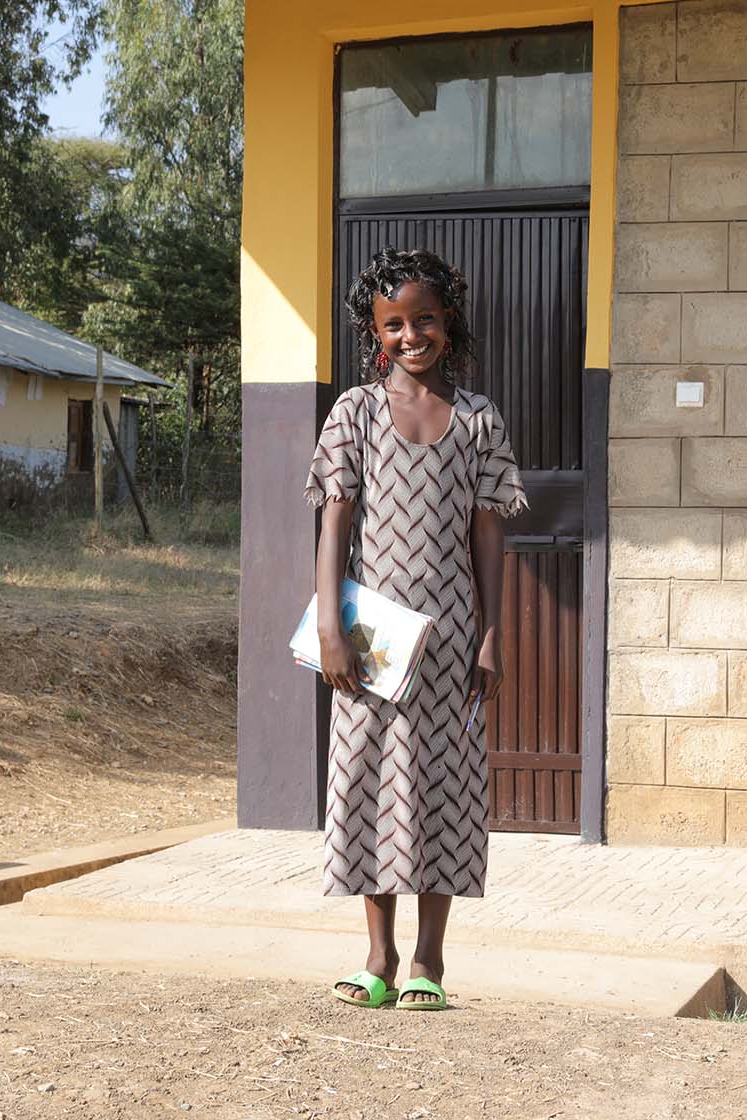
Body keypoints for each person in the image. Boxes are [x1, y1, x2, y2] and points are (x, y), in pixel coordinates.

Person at [303, 247, 527, 1011]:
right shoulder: (355, 414)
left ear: (448, 321)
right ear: (375, 331)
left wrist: (492, 634)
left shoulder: (478, 420)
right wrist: (330, 623)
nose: (411, 336)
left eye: (424, 319)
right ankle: (378, 957)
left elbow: (490, 536)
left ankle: (429, 960)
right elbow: (334, 526)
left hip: (454, 638)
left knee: (446, 788)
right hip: (372, 638)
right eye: (394, 324)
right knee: (370, 783)